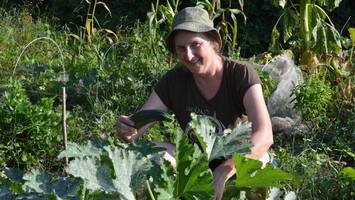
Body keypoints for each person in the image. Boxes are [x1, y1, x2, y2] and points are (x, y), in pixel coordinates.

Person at [116, 7, 273, 200]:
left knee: (260, 164)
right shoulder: (173, 81)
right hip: (195, 161)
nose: (189, 56)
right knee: (148, 158)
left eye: (195, 44)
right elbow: (137, 126)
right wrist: (127, 129)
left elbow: (265, 135)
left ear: (213, 42)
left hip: (237, 159)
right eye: (181, 48)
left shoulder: (241, 74)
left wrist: (226, 168)